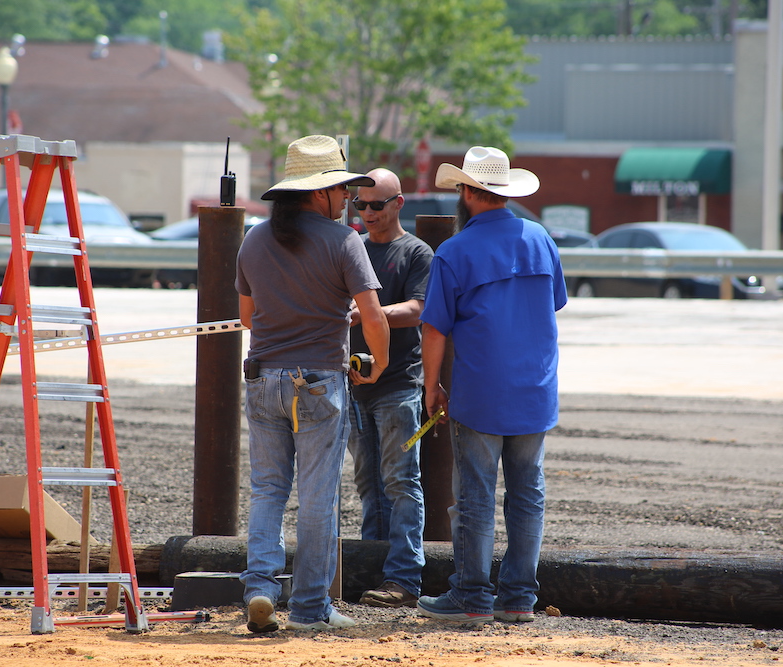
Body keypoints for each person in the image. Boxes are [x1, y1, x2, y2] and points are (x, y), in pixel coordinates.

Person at [235, 135, 390, 633]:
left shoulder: (254, 239)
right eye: (343, 190)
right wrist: (379, 364)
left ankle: (260, 588)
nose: (348, 199)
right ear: (320, 193)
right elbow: (372, 314)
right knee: (318, 497)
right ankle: (309, 608)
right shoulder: (344, 241)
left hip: (262, 379)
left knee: (267, 491)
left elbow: (247, 319)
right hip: (318, 381)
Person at [416, 146, 567, 625]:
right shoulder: (541, 237)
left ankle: (472, 596)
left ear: (465, 192)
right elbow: (556, 303)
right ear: (503, 192)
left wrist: (431, 386)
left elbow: (434, 329)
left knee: (477, 496)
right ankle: (520, 598)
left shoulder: (454, 251)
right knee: (527, 493)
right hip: (536, 389)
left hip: (481, 391)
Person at [347, 168, 433, 608]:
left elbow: (419, 308)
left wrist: (368, 313)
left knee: (400, 480)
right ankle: (374, 566)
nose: (366, 213)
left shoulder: (416, 252)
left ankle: (403, 578)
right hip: (356, 384)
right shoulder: (354, 247)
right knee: (368, 482)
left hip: (399, 383)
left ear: (399, 203)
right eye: (360, 205)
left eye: (375, 205)